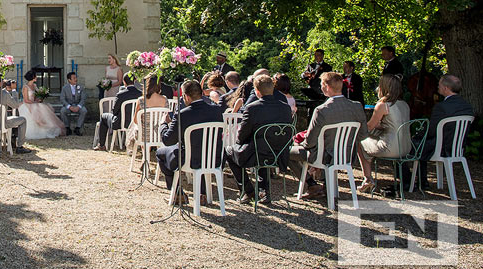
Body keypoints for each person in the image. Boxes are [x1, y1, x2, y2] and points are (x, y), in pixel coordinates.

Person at [290, 72, 369, 199]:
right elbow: (363, 134)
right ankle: (326, 187)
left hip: (322, 157)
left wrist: (300, 143)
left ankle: (311, 184)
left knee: (287, 152)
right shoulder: (357, 107)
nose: (320, 88)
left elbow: (310, 142)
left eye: (321, 85)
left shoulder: (321, 110)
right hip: (347, 155)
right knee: (325, 148)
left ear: (326, 87)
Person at [225, 74, 293, 203]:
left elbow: (241, 136)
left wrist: (241, 142)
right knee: (262, 145)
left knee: (229, 151)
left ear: (256, 91)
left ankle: (247, 190)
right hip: (280, 153)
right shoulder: (285, 107)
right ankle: (264, 191)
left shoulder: (252, 108)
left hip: (258, 153)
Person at [156, 80, 225, 202]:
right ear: (202, 93)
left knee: (161, 153)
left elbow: (168, 140)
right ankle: (202, 194)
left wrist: (163, 124)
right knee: (201, 149)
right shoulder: (217, 111)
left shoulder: (183, 114)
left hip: (190, 160)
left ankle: (177, 193)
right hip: (214, 157)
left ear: (186, 96)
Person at [410, 74, 473, 191]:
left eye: (439, 85)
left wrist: (417, 136)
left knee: (414, 144)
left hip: (441, 147)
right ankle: (421, 182)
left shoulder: (441, 107)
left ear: (446, 88)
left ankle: (420, 182)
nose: (437, 87)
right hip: (457, 147)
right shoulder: (467, 106)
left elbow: (431, 131)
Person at [357, 75, 410, 193]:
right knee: (371, 140)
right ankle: (369, 167)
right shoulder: (404, 104)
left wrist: (356, 128)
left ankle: (367, 178)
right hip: (406, 148)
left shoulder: (383, 105)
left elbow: (369, 127)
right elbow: (395, 125)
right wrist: (380, 126)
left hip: (391, 147)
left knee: (360, 142)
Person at [0, 75, 30, 153]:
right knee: (23, 120)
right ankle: (20, 146)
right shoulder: (4, 93)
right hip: (1, 124)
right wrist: (14, 91)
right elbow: (15, 105)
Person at [94, 73, 143, 151]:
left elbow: (114, 111)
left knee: (103, 117)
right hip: (136, 123)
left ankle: (102, 145)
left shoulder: (121, 94)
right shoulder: (141, 94)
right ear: (135, 81)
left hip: (121, 123)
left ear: (124, 82)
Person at [125, 76, 168, 152]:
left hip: (144, 135)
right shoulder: (164, 99)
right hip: (159, 134)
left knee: (140, 130)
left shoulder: (141, 100)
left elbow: (135, 121)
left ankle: (145, 156)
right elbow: (166, 119)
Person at [18, 70, 64, 139]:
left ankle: (47, 128)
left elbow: (36, 95)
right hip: (28, 104)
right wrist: (35, 102)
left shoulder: (34, 85)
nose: (36, 77)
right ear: (33, 77)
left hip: (34, 103)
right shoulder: (25, 87)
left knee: (44, 108)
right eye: (35, 76)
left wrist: (39, 99)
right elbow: (26, 100)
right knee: (38, 110)